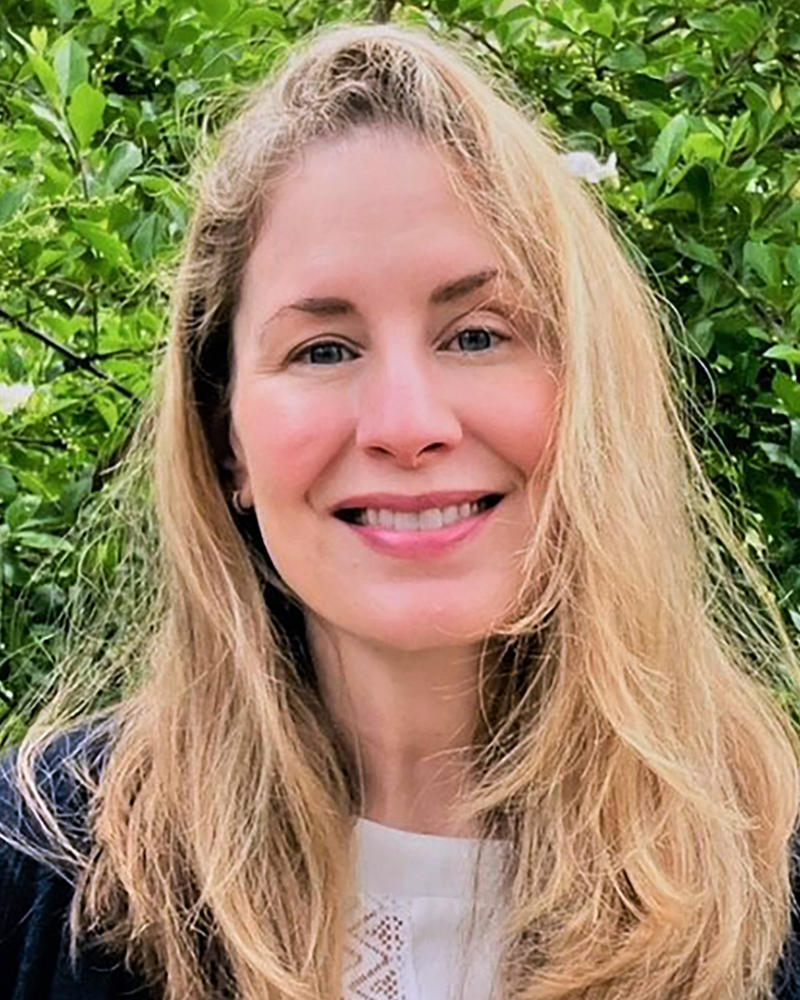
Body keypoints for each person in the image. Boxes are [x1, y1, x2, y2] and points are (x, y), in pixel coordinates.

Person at [1, 19, 799, 1000]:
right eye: (322, 350)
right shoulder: (37, 871)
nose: (405, 424)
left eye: (475, 334)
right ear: (225, 439)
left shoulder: (769, 875)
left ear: (586, 389)